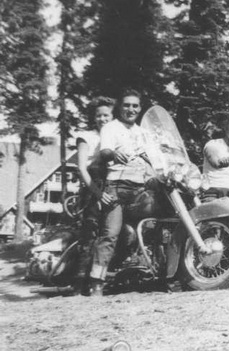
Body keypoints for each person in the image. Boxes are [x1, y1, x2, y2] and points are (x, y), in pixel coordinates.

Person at [89, 89, 152, 296]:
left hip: (140, 187)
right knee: (110, 234)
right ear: (120, 107)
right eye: (127, 105)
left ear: (140, 108)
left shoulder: (143, 133)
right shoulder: (111, 127)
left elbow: (155, 155)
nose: (131, 109)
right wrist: (114, 153)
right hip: (116, 186)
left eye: (135, 105)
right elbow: (105, 151)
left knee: (157, 221)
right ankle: (96, 282)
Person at [73, 96, 115, 295]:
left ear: (112, 117)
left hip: (112, 185)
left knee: (109, 234)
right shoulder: (86, 137)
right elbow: (82, 168)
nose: (102, 119)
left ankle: (101, 280)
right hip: (93, 186)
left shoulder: (116, 137)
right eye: (99, 115)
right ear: (94, 118)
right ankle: (80, 285)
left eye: (106, 115)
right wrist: (97, 194)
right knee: (90, 234)